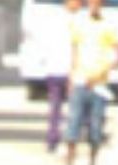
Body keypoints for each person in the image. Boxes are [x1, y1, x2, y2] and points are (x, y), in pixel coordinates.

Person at [63, 0, 118, 165]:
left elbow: (115, 54)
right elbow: (75, 51)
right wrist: (71, 76)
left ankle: (92, 160)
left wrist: (100, 74)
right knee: (74, 121)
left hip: (99, 83)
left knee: (96, 124)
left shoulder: (108, 26)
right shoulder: (80, 24)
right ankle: (70, 156)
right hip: (80, 79)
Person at [39, 0, 78, 154]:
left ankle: (70, 139)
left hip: (74, 72)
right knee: (55, 108)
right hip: (57, 69)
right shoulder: (57, 21)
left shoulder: (82, 21)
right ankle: (53, 139)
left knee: (74, 109)